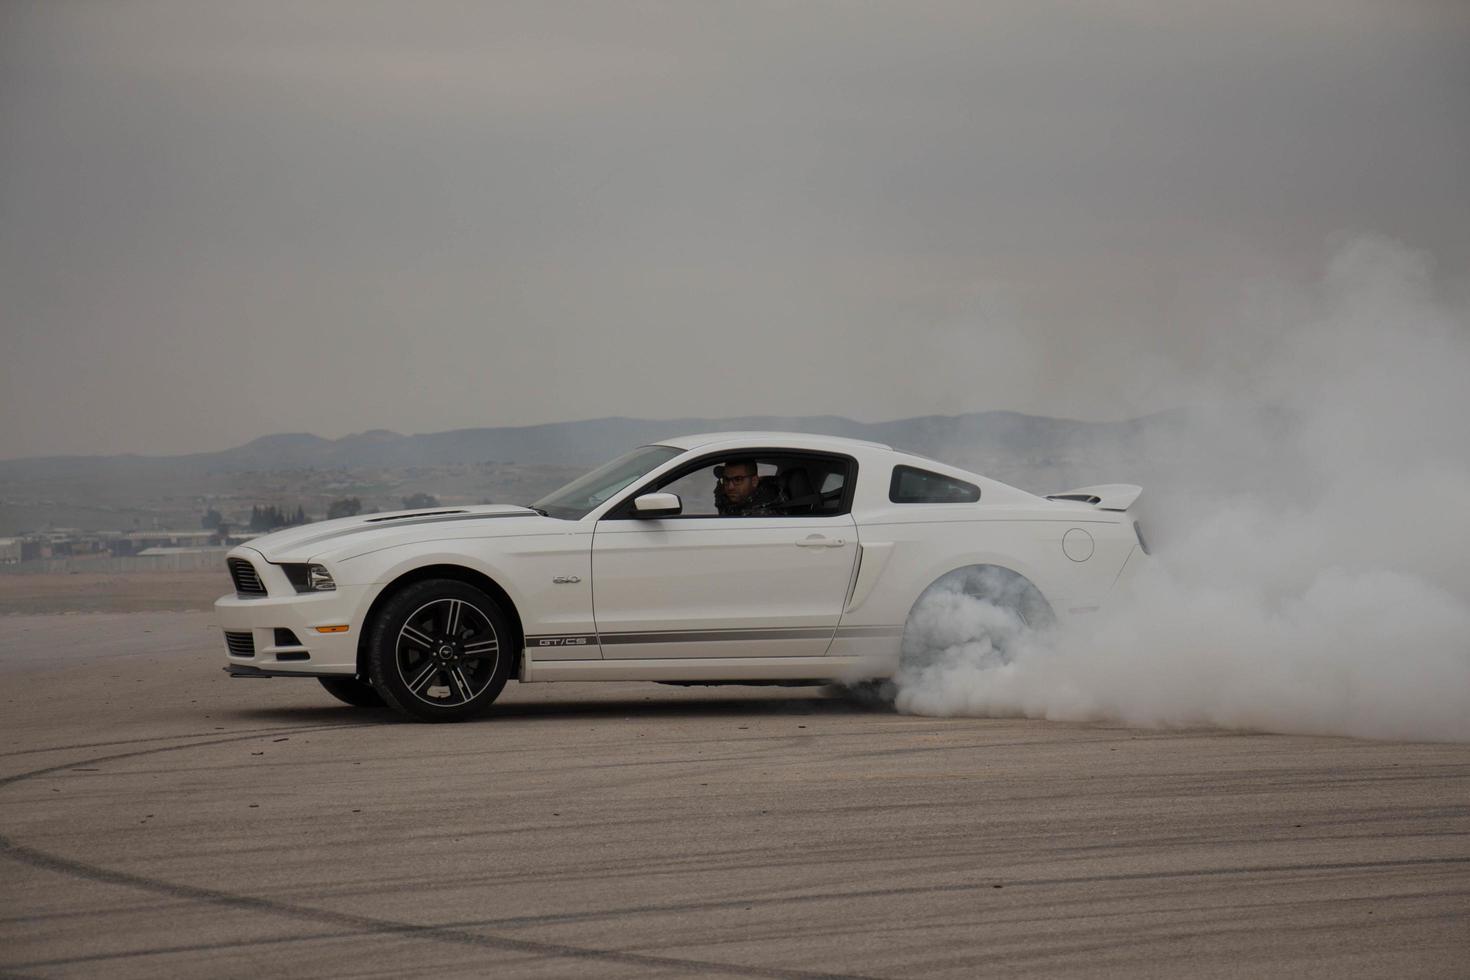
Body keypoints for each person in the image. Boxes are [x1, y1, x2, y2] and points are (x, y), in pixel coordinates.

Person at [714, 458, 785, 516]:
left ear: (754, 481)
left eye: (738, 479)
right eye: (726, 479)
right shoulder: (728, 501)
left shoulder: (763, 516)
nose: (730, 487)